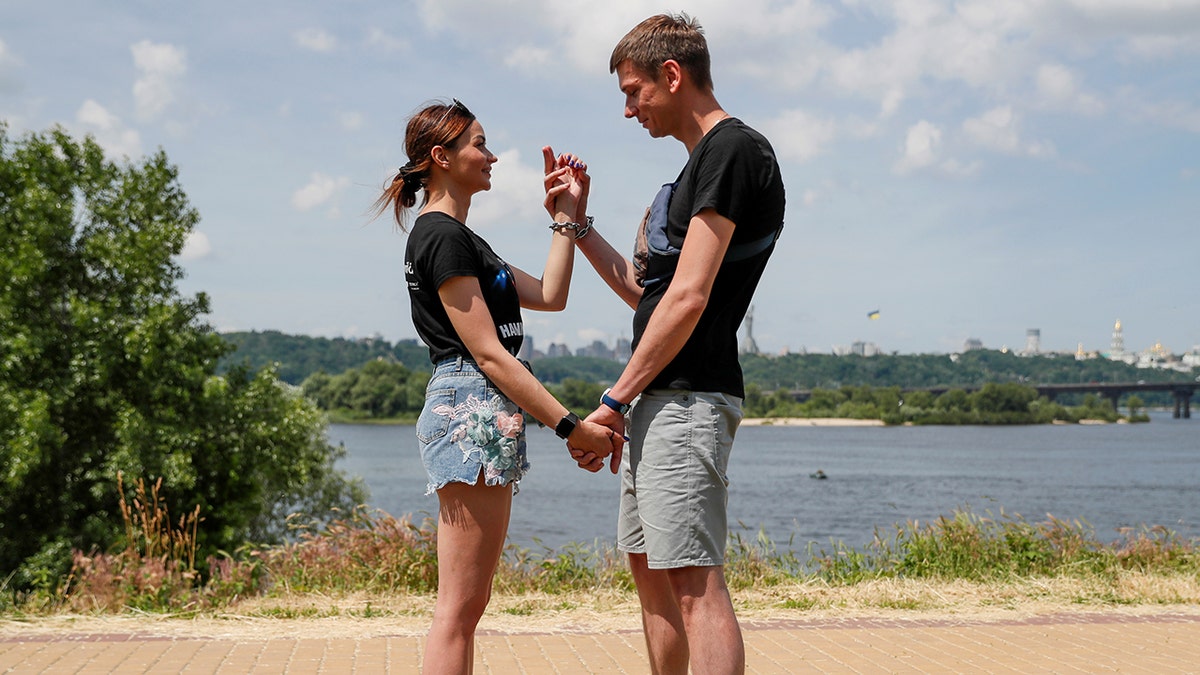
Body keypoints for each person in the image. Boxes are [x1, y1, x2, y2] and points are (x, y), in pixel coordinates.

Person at [557, 14, 786, 675]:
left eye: (634, 92)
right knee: (652, 574)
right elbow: (648, 292)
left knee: (694, 585)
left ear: (674, 75)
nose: (629, 110)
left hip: (688, 400)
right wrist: (576, 225)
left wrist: (611, 402)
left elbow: (689, 300)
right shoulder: (692, 170)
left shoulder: (733, 150)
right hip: (658, 400)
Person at [374, 98, 623, 675]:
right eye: (479, 144)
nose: (492, 156)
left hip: (481, 407)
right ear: (441, 157)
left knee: (467, 604)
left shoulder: (466, 240)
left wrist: (564, 214)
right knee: (459, 609)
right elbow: (488, 353)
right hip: (472, 405)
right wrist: (571, 426)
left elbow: (553, 295)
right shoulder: (443, 237)